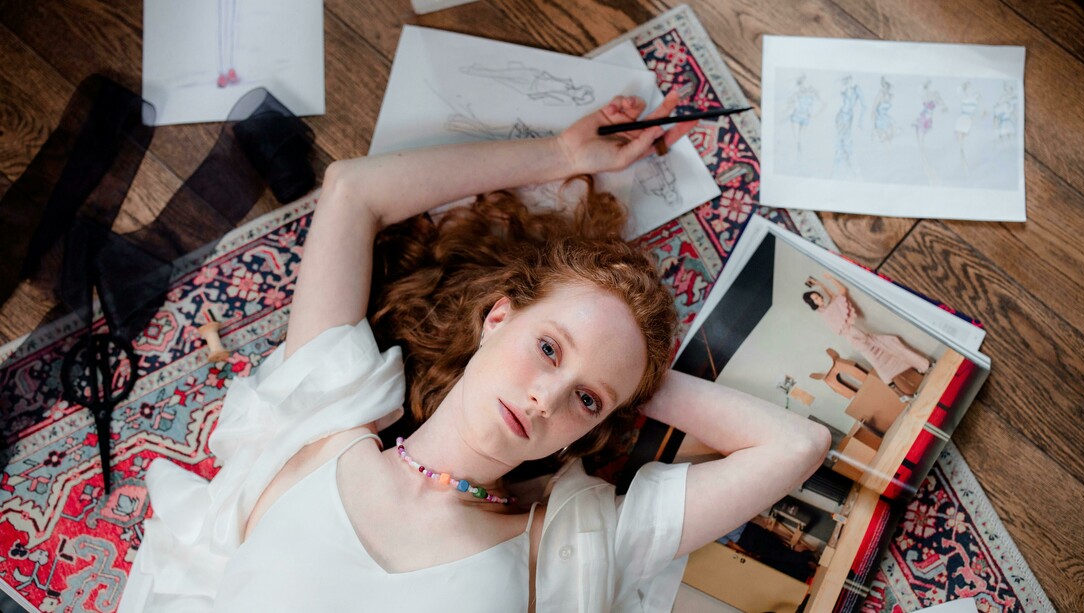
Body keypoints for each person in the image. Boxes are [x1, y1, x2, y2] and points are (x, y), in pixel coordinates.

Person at [119, 91, 830, 612]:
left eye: (585, 399)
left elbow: (797, 443)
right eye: (548, 348)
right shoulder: (321, 415)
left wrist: (635, 377)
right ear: (497, 317)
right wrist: (559, 155)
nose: (547, 398)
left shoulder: (569, 542)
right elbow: (352, 191)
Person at [804, 273, 931, 393]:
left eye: (818, 296)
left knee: (890, 343)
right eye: (815, 298)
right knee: (878, 359)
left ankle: (920, 366)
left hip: (859, 334)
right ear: (813, 303)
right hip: (854, 338)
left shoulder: (830, 305)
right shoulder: (825, 312)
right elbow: (838, 295)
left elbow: (837, 292)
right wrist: (825, 282)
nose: (819, 298)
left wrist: (823, 282)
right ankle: (898, 389)